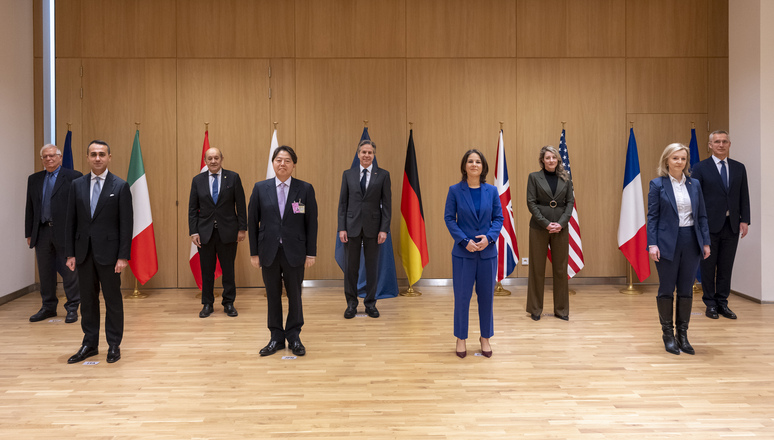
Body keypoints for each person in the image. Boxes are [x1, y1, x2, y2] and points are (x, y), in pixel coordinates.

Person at [65, 140, 133, 364]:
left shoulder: (120, 186)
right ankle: (89, 344)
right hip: (83, 253)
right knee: (88, 300)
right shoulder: (77, 185)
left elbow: (126, 224)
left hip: (111, 255)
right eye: (93, 154)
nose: (97, 158)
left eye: (102, 154)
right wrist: (70, 254)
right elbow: (70, 222)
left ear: (109, 157)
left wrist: (123, 256)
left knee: (113, 300)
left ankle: (114, 344)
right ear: (87, 157)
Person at [248, 146, 318, 357]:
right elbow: (253, 222)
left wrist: (311, 252)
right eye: (279, 160)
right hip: (268, 250)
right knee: (272, 296)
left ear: (293, 165)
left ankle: (294, 336)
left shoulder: (304, 189)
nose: (282, 164)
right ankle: (276, 338)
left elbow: (311, 223)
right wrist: (254, 253)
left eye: (287, 160)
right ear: (273, 163)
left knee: (295, 295)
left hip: (295, 251)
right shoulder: (260, 188)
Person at [647, 143, 711, 355]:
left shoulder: (695, 184)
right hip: (666, 243)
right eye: (675, 158)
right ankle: (668, 334)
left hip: (691, 240)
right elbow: (653, 217)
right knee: (666, 289)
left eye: (683, 158)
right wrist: (652, 243)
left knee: (686, 290)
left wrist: (705, 242)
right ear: (667, 160)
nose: (680, 162)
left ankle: (683, 336)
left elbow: (701, 215)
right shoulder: (657, 184)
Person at [444, 149, 503, 359]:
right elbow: (449, 218)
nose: (474, 164)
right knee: (462, 298)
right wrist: (464, 241)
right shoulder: (455, 190)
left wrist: (489, 238)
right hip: (463, 254)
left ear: (483, 166)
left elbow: (499, 218)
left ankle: (485, 338)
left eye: (478, 161)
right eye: (470, 161)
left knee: (486, 297)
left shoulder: (492, 191)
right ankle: (461, 338)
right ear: (464, 166)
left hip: (487, 254)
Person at [690, 130, 750, 320]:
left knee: (726, 266)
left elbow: (744, 196)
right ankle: (710, 303)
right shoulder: (699, 168)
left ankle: (723, 303)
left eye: (724, 141)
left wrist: (745, 219)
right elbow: (695, 198)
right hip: (708, 225)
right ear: (710, 145)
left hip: (731, 225)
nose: (721, 145)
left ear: (729, 144)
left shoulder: (739, 168)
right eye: (717, 142)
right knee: (708, 266)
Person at [25, 144, 82, 323]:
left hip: (65, 233)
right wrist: (29, 233)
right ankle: (48, 307)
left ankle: (72, 307)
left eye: (52, 156)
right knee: (45, 272)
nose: (49, 159)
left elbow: (79, 208)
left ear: (59, 157)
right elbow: (30, 208)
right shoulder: (34, 179)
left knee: (69, 271)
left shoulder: (74, 177)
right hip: (41, 232)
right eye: (45, 157)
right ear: (42, 159)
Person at [188, 147, 247, 318]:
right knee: (207, 271)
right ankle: (207, 304)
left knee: (228, 270)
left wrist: (242, 228)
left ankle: (229, 303)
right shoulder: (197, 180)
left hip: (228, 232)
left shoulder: (233, 177)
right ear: (205, 161)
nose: (213, 161)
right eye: (210, 158)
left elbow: (241, 205)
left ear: (222, 158)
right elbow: (192, 209)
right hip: (204, 233)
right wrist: (194, 231)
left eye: (216, 158)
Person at [337, 139, 391, 319]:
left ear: (374, 155)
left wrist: (384, 229)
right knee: (351, 268)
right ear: (358, 154)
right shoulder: (348, 174)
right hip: (351, 228)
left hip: (374, 229)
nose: (367, 155)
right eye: (364, 152)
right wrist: (341, 228)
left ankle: (370, 304)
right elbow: (343, 204)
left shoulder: (383, 175)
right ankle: (351, 304)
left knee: (372, 268)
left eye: (370, 152)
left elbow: (387, 204)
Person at [525, 145, 574, 321]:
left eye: (554, 157)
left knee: (560, 269)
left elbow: (570, 203)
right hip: (539, 227)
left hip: (561, 227)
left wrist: (560, 224)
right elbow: (531, 203)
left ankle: (561, 310)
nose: (551, 160)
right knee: (537, 268)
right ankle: (535, 309)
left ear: (558, 160)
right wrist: (546, 224)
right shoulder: (533, 177)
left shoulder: (566, 178)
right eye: (547, 158)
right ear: (542, 160)